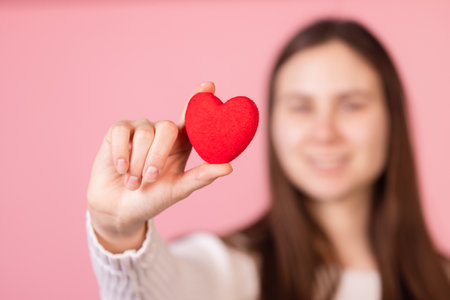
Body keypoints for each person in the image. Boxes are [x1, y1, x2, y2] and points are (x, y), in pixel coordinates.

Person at [85, 18, 450, 300]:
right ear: (273, 126)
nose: (324, 133)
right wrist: (118, 230)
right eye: (300, 107)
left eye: (352, 104)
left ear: (393, 119)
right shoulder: (228, 269)